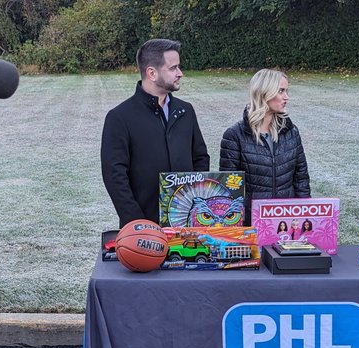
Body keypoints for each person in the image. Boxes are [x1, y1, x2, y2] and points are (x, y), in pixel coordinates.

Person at [101, 38, 210, 226]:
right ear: (151, 73)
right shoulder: (119, 117)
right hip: (142, 228)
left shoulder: (186, 111)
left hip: (186, 224)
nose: (180, 73)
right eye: (173, 68)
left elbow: (200, 158)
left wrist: (194, 202)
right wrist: (137, 222)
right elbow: (114, 176)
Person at [218, 68, 310, 225]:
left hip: (286, 222)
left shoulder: (291, 132)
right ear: (264, 92)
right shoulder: (235, 135)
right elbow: (229, 190)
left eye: (286, 91)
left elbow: (301, 179)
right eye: (281, 91)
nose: (286, 97)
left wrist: (305, 215)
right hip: (251, 223)